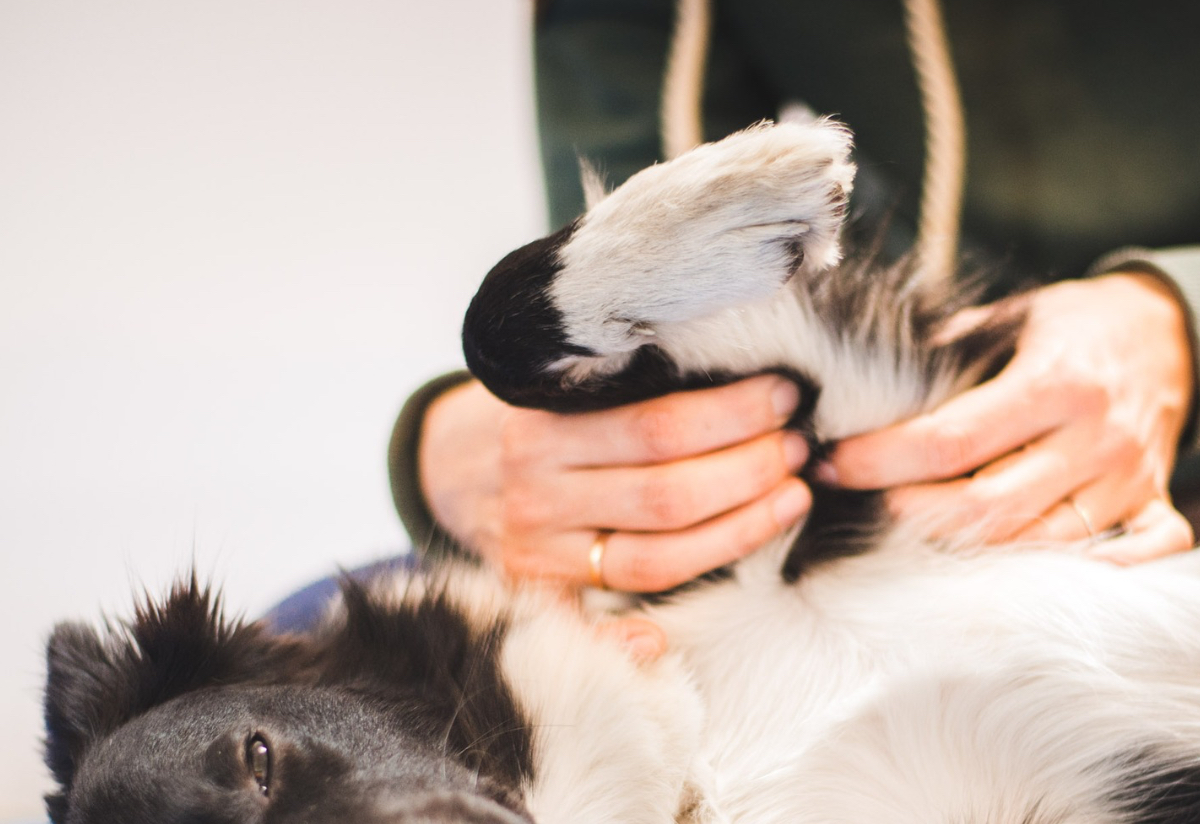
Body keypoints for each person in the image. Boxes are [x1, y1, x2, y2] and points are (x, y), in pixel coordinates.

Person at [390, 0, 1200, 605]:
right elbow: (645, 276)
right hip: (832, 494)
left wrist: (1175, 322)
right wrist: (458, 449)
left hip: (1149, 496)